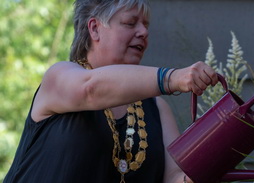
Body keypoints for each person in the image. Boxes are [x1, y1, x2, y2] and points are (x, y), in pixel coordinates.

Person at [4, 0, 217, 182]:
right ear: (95, 28)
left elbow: (175, 178)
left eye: (145, 25)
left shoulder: (158, 108)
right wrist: (172, 78)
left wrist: (224, 147)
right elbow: (89, 89)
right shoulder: (59, 76)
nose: (144, 32)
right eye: (130, 23)